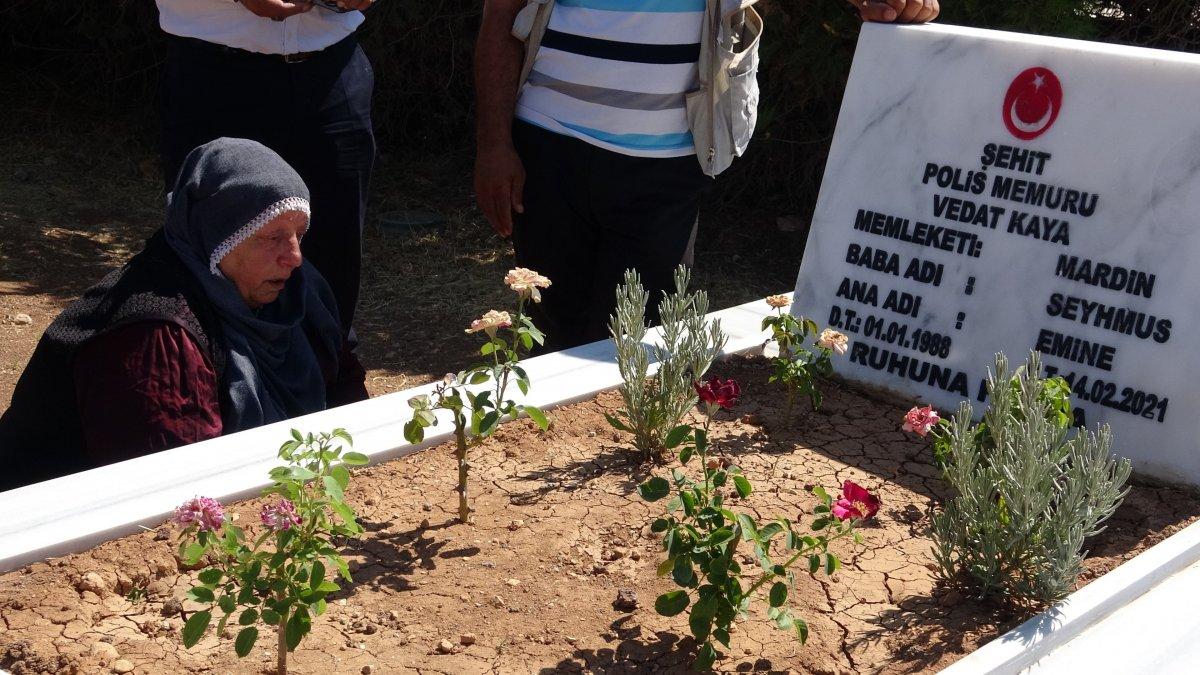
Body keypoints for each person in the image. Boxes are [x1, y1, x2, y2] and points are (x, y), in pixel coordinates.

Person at [474, 0, 940, 352]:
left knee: (631, 341)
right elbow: (501, 19)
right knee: (555, 332)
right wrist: (494, 144)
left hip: (667, 164)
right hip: (547, 148)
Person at [0, 139, 367, 491]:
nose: (294, 257)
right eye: (271, 237)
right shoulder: (153, 336)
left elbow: (347, 399)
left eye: (298, 234)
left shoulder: (297, 294)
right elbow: (172, 496)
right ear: (219, 235)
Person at [156, 0, 376, 346]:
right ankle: (212, 388)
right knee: (210, 263)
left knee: (333, 265)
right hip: (216, 74)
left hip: (332, 71)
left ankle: (331, 382)